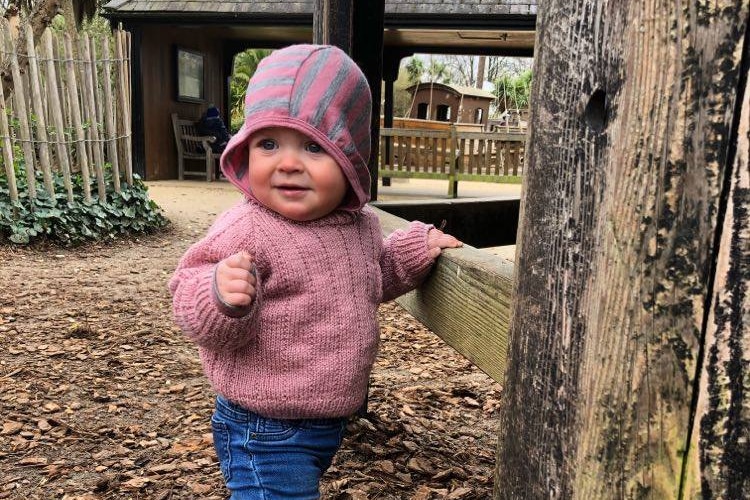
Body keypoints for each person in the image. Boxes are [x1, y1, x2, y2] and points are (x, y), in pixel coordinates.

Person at [169, 44, 461, 499]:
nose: (287, 163)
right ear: (246, 149)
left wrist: (412, 252)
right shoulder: (248, 227)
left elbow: (372, 275)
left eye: (313, 146)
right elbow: (187, 292)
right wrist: (218, 295)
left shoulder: (358, 225)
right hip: (262, 426)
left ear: (350, 159)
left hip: (324, 420)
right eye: (268, 143)